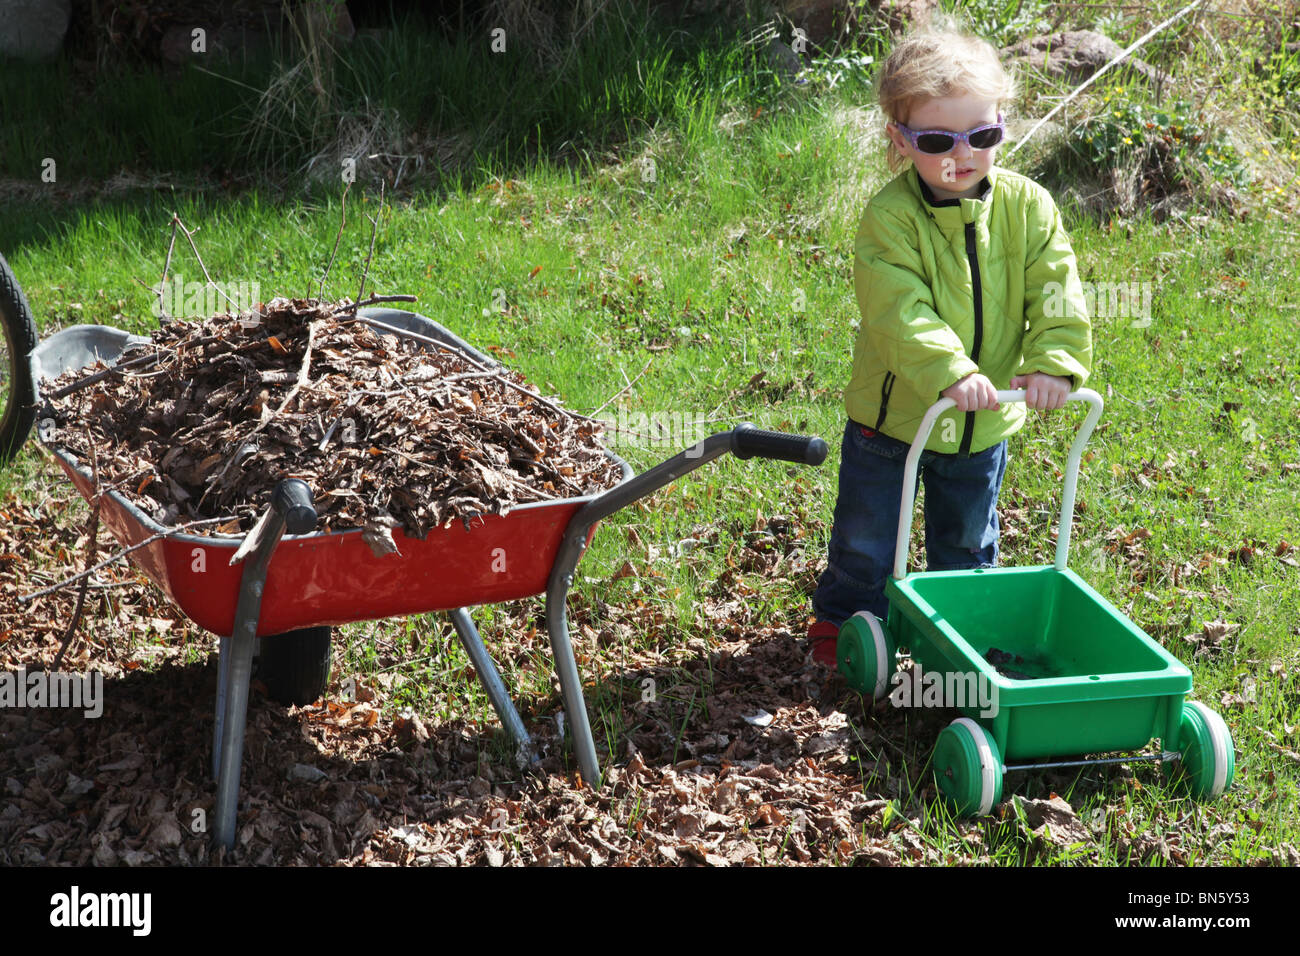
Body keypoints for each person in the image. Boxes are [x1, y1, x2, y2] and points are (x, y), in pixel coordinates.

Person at [808, 18, 1093, 667]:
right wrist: (949, 370)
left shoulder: (1030, 209)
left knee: (967, 541)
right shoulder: (890, 219)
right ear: (901, 140)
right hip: (896, 422)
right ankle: (846, 621)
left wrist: (1053, 362)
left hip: (982, 421)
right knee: (867, 536)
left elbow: (1056, 290)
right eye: (938, 139)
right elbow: (898, 313)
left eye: (983, 135)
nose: (962, 154)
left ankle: (957, 629)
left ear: (1003, 125)